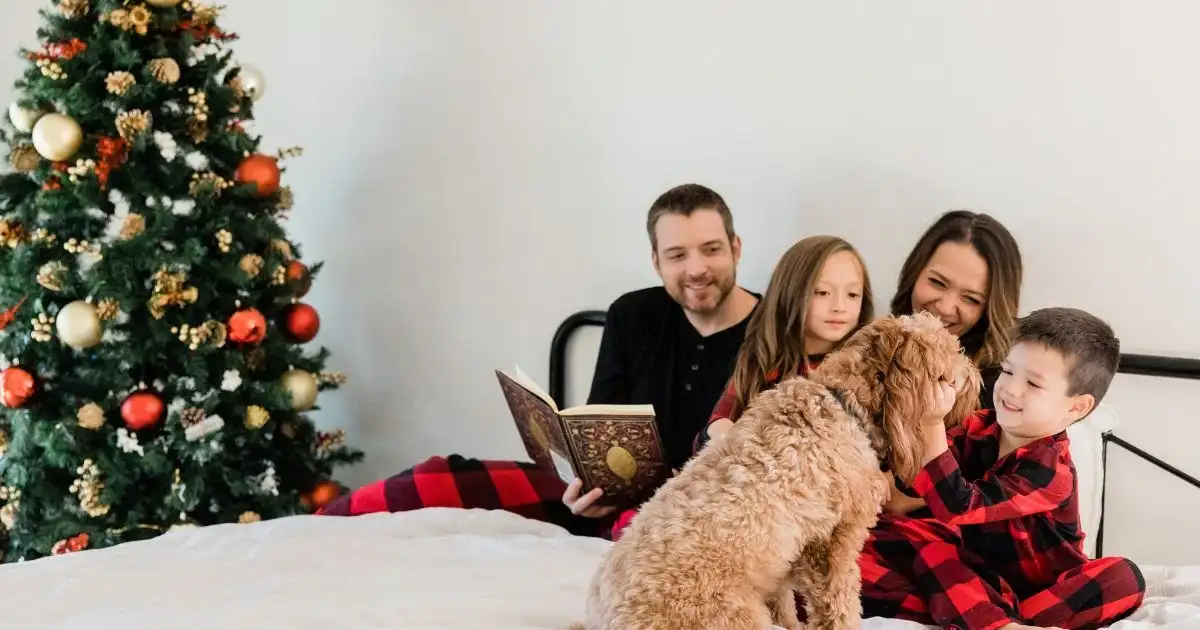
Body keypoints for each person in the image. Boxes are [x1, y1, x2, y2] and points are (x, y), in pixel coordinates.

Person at [860, 307, 1145, 630]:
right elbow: (915, 484)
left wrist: (932, 424)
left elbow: (956, 505)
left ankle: (994, 620)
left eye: (1034, 384)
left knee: (1124, 577)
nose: (1010, 389)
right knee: (898, 542)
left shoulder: (1051, 470)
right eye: (1008, 372)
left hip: (1044, 590)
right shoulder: (978, 429)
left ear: (1076, 407)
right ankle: (983, 614)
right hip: (978, 573)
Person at [607, 235, 876, 540]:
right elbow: (713, 432)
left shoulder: (862, 372)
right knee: (641, 524)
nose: (840, 307)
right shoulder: (762, 364)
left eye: (853, 295)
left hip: (828, 506)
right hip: (756, 495)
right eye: (822, 292)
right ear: (792, 293)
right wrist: (723, 433)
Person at [563, 183, 761, 520]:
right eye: (677, 255)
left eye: (711, 249)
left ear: (736, 249)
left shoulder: (774, 330)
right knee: (440, 478)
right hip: (627, 507)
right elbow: (600, 428)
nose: (696, 269)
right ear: (657, 261)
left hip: (718, 515)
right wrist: (587, 491)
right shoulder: (630, 314)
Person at [890, 210, 1023, 410]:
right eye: (937, 282)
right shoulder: (871, 346)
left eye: (970, 298)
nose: (944, 307)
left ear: (991, 309)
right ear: (915, 272)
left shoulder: (996, 395)